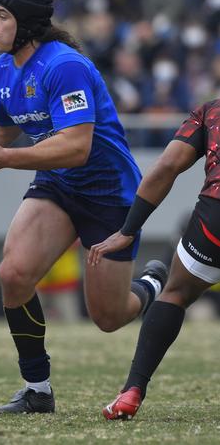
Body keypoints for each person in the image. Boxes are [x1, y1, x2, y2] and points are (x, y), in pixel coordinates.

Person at [0, 0, 168, 415]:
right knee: (13, 274)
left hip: (108, 191)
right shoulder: (1, 70)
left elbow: (77, 146)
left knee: (108, 317)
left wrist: (6, 159)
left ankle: (152, 283)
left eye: (2, 16)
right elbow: (0, 129)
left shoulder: (66, 66)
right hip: (58, 184)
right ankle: (37, 390)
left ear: (25, 25)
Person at [92, 99, 220, 420]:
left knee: (175, 292)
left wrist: (129, 230)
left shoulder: (212, 111)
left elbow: (167, 166)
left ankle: (132, 391)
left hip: (215, 215)